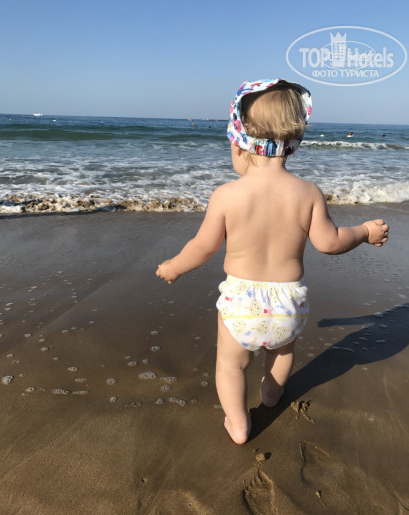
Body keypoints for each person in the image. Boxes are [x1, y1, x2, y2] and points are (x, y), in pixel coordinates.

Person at [156, 79, 389, 445]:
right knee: (282, 352)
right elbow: (329, 243)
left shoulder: (226, 195)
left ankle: (238, 423)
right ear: (293, 144)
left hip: (241, 303)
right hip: (288, 303)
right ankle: (271, 393)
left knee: (230, 364)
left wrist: (174, 267)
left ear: (239, 144)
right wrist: (363, 232)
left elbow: (202, 247)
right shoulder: (308, 194)